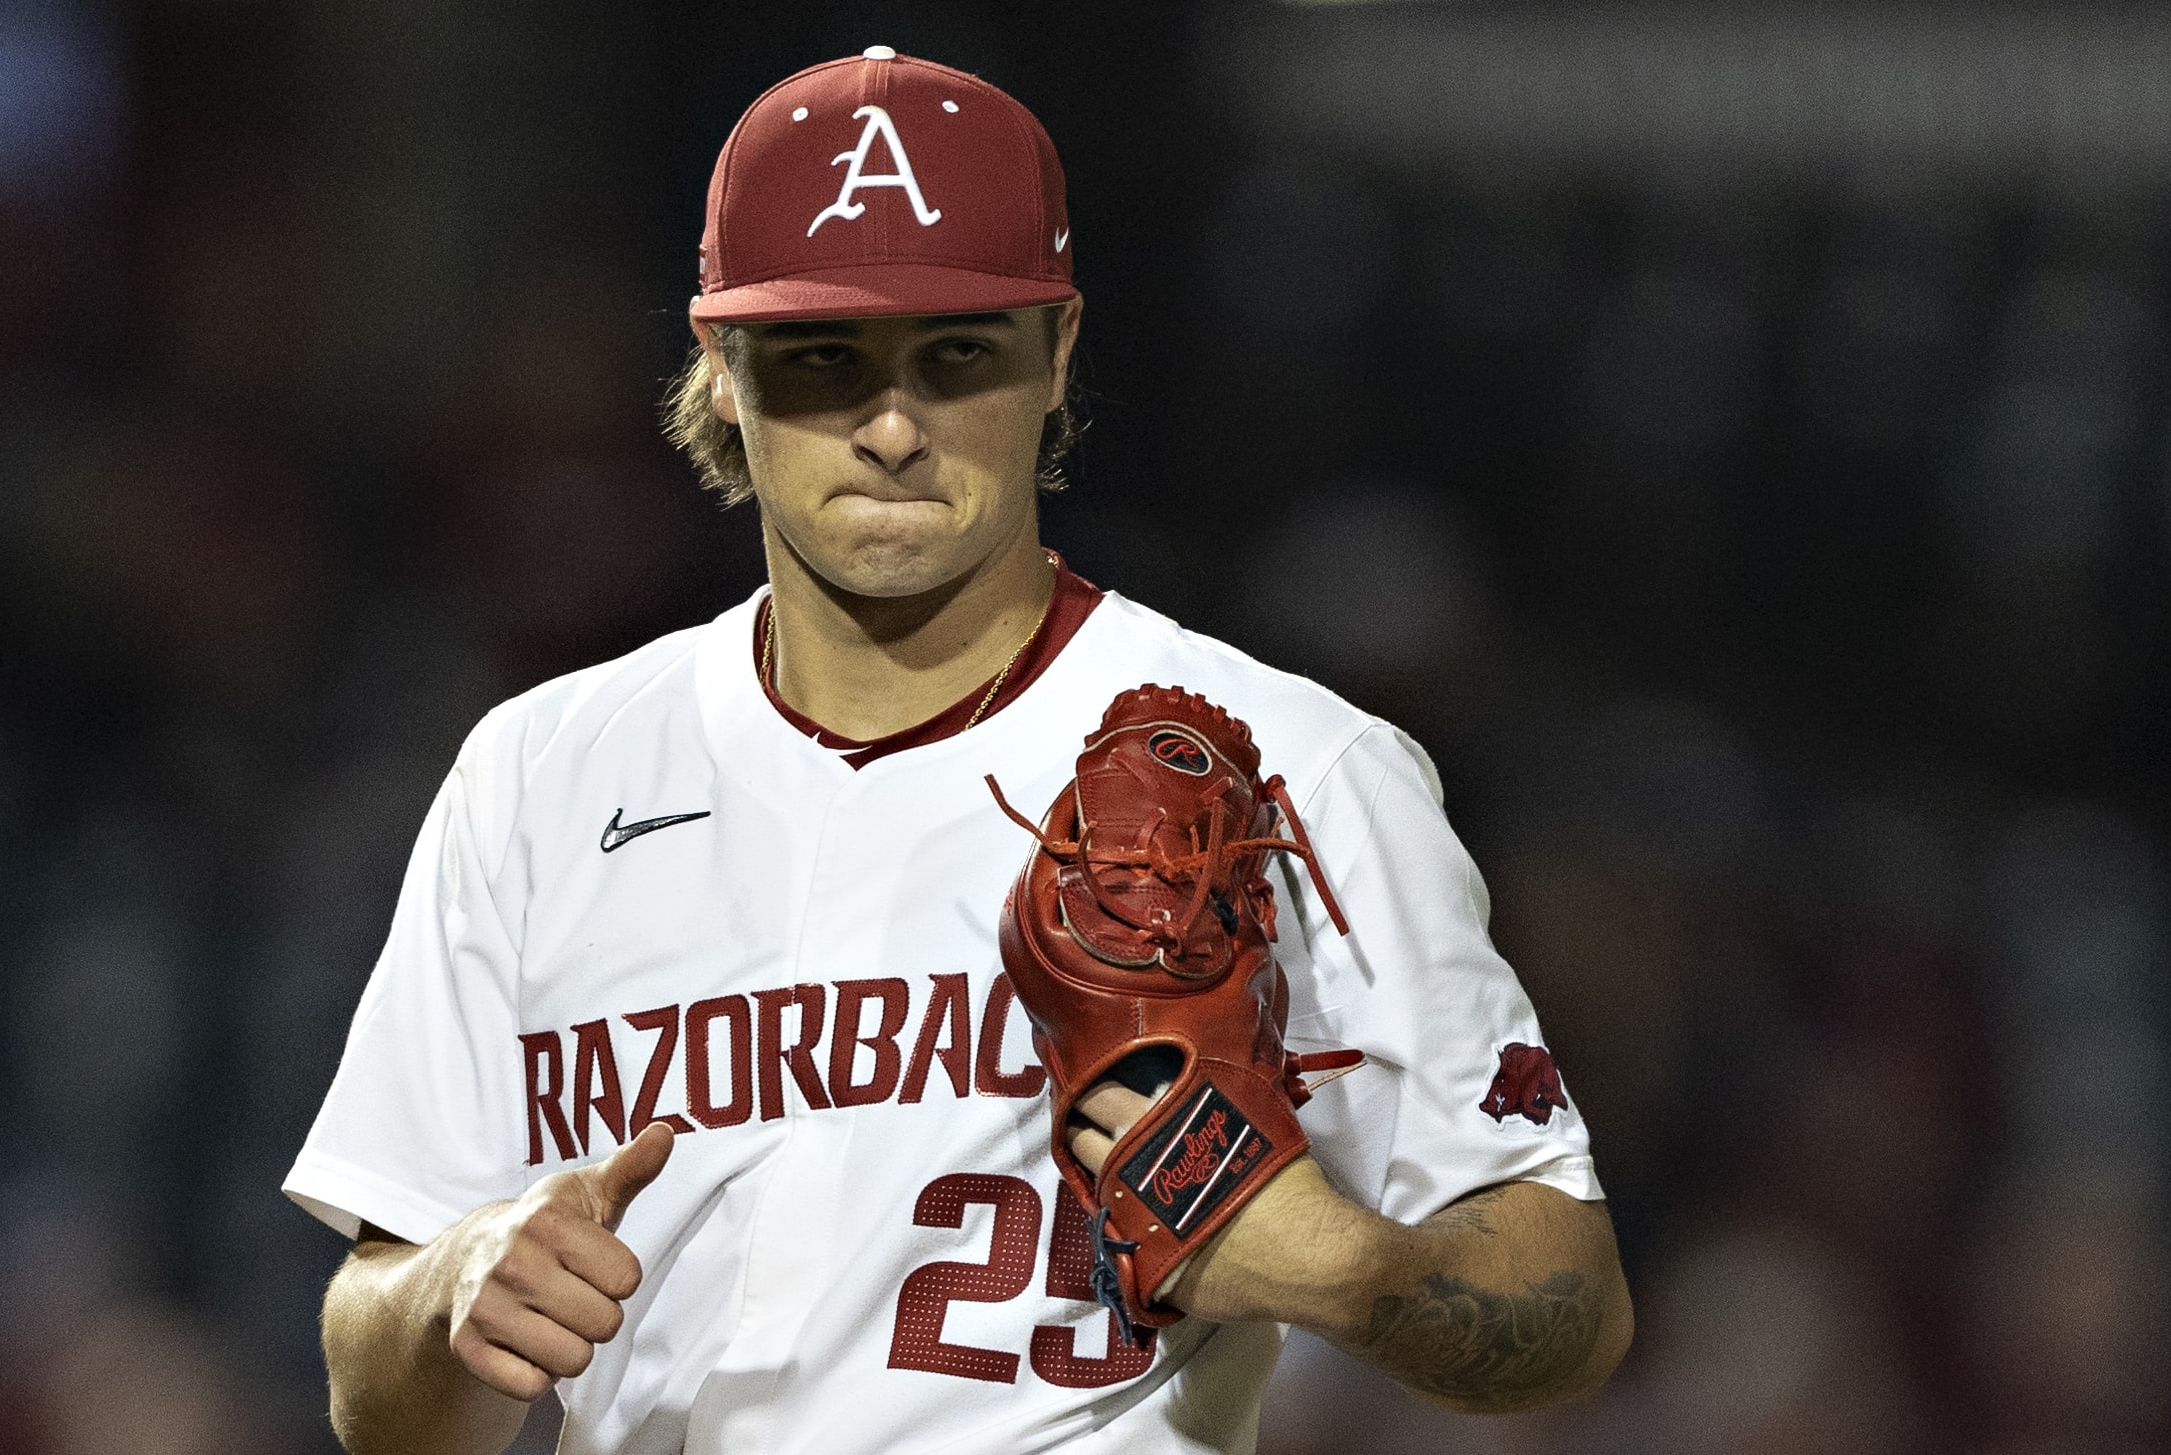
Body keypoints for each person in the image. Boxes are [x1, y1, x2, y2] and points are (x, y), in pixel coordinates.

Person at [288, 47, 1630, 1455]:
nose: (889, 426)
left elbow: (1569, 1308)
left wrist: (1348, 1272)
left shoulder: (1292, 765)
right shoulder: (540, 776)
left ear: (1056, 355)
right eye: (824, 359)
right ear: (721, 369)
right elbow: (384, 1397)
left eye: (956, 355)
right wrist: (452, 1289)